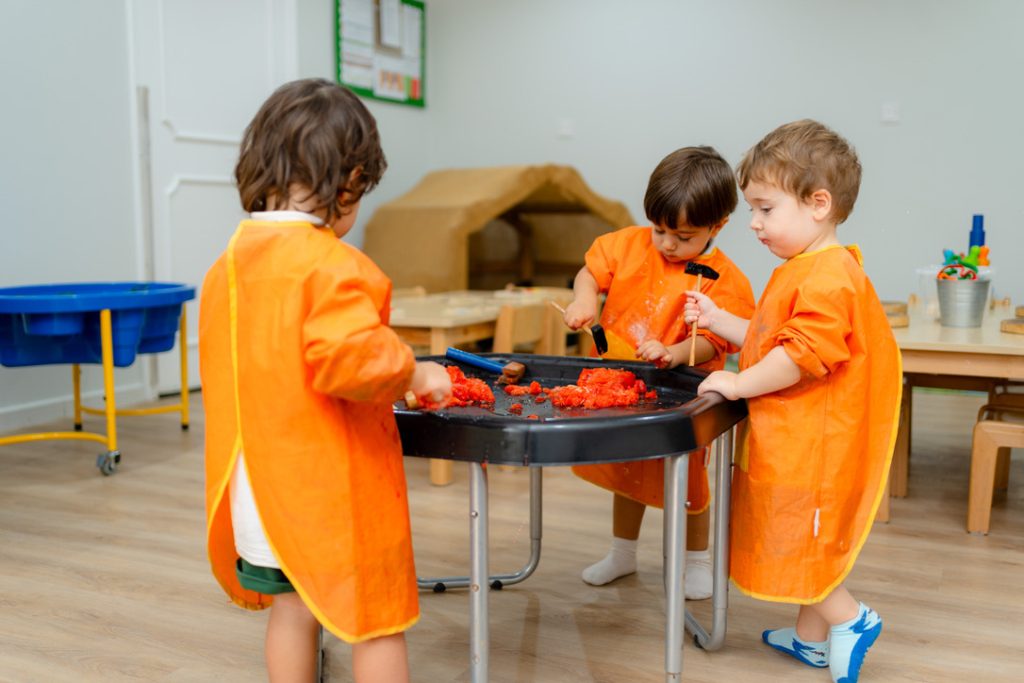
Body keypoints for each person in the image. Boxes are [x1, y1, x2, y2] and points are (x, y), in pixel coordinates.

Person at [199, 78, 452, 683]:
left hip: (255, 494)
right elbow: (351, 360)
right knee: (376, 621)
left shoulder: (225, 267)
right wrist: (415, 370)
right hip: (326, 496)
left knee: (292, 611)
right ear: (351, 184)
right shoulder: (332, 265)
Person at [685, 119, 900, 683]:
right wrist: (717, 321)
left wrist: (734, 383)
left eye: (765, 209)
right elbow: (769, 334)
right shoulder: (807, 267)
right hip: (800, 435)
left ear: (818, 204)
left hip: (815, 444)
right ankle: (810, 638)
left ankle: (850, 619)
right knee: (807, 536)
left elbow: (798, 355)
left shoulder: (829, 276)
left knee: (799, 535)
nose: (753, 224)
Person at [562, 146, 755, 598]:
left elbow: (717, 340)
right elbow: (589, 274)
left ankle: (697, 561)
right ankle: (622, 554)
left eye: (683, 236)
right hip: (624, 386)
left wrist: (673, 350)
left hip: (684, 396)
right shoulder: (626, 245)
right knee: (628, 474)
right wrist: (585, 300)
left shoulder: (724, 278)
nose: (668, 243)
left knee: (689, 481)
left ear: (717, 226)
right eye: (659, 230)